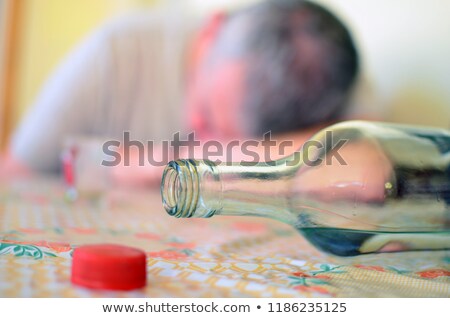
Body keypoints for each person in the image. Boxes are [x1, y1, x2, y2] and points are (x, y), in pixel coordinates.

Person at [1, 0, 359, 186]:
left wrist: (152, 164)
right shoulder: (113, 54)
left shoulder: (323, 71)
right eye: (204, 111)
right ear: (213, 28)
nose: (193, 124)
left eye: (225, 136)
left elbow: (365, 160)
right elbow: (12, 178)